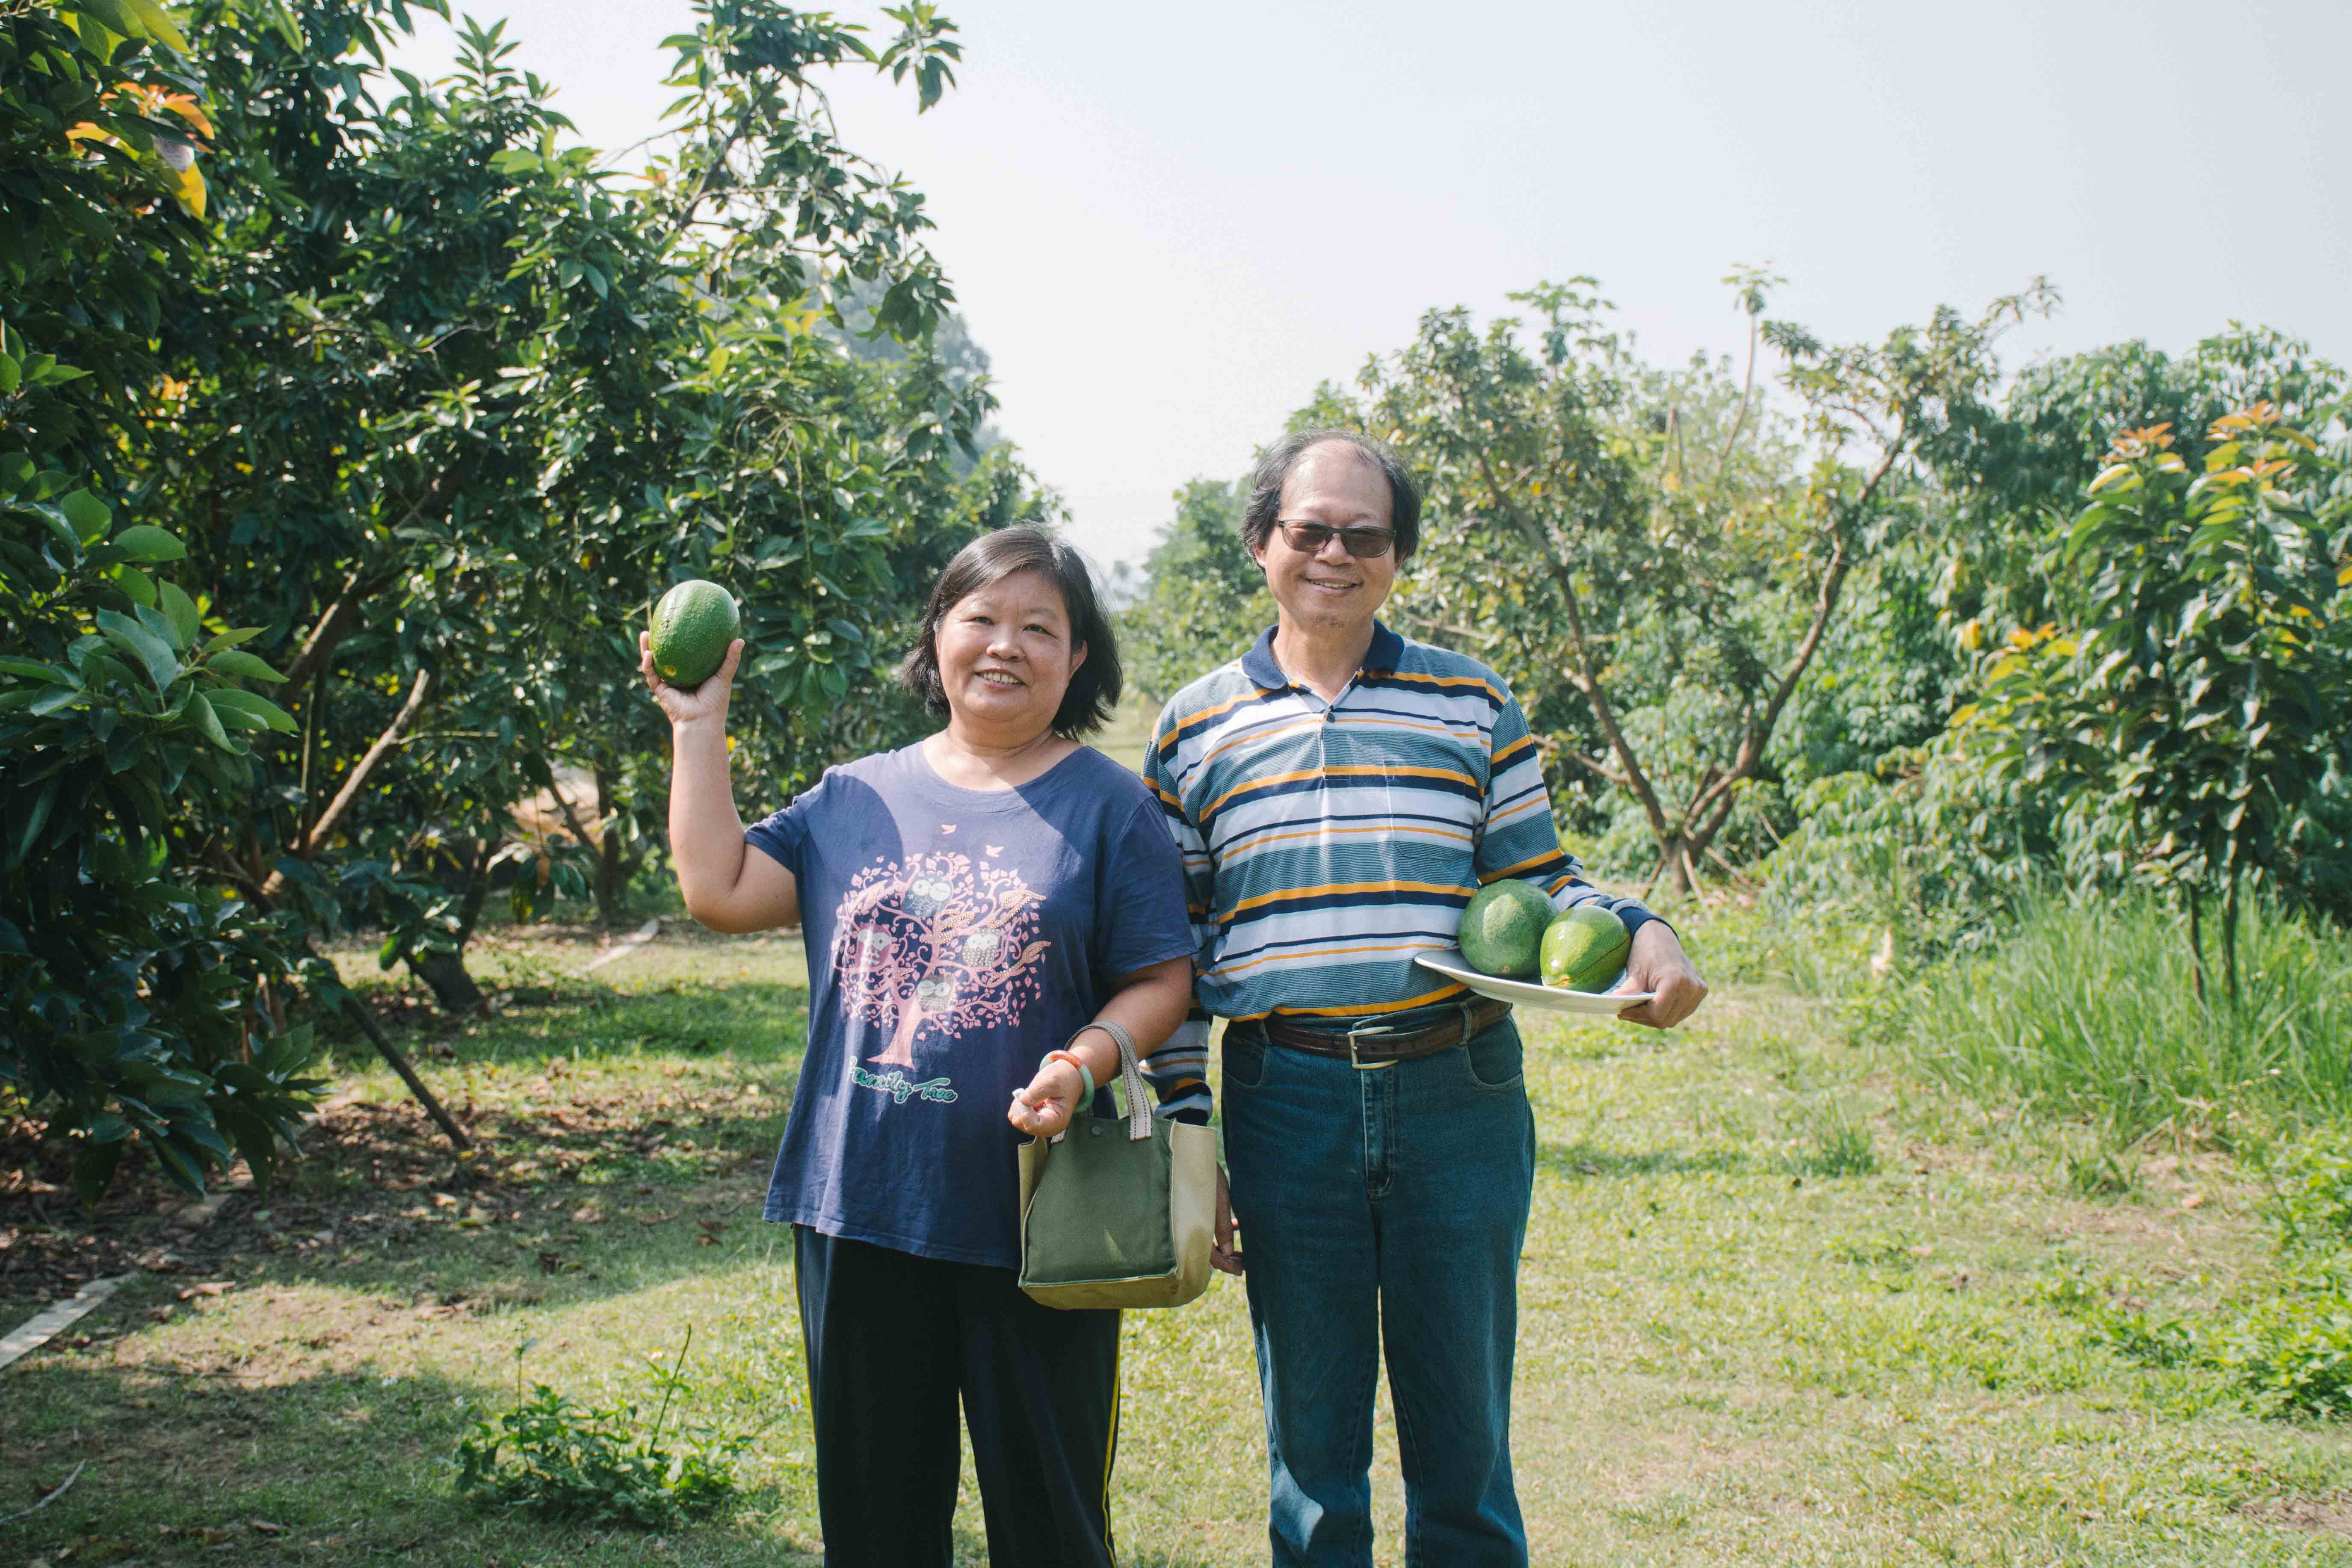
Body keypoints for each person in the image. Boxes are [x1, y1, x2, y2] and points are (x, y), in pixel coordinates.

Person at [1144, 431, 1709, 1567]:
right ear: (1263, 541)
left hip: (1458, 1091)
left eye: (1366, 534)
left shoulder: (1470, 698)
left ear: (1396, 554)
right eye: (1310, 530)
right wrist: (1190, 1137)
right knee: (1312, 1462)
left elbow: (1538, 881)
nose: (1334, 554)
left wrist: (1642, 926)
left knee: (1463, 1447)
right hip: (1283, 1095)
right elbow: (1177, 958)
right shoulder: (1193, 727)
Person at [643, 526, 1199, 1568]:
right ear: (936, 634)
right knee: (875, 1520)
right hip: (860, 1204)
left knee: (1051, 1520)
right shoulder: (854, 794)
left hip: (1036, 1215)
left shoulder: (1110, 805)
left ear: (1077, 659)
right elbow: (718, 889)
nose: (1005, 644)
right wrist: (696, 720)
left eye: (1040, 626)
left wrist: (1082, 1063)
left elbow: (1160, 978)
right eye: (980, 617)